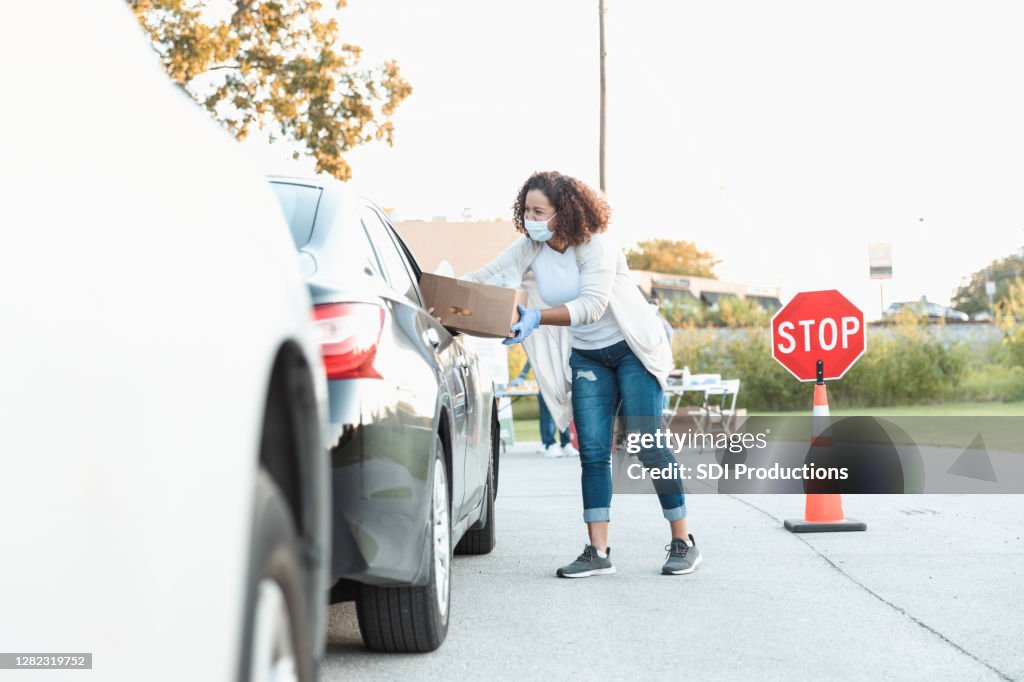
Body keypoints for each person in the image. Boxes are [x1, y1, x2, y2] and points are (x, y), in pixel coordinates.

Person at [459, 170, 702, 578]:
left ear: (564, 212)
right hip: (588, 355)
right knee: (592, 451)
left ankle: (684, 541)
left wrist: (535, 317)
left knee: (647, 444)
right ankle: (597, 551)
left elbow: (590, 306)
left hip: (632, 349)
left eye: (539, 211)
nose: (530, 217)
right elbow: (483, 278)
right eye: (526, 210)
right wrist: (434, 295)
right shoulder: (530, 247)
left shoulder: (595, 247)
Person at [510, 360, 578, 458]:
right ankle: (550, 445)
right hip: (546, 382)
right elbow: (532, 357)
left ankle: (566, 444)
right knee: (549, 416)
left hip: (562, 381)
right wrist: (522, 375)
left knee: (565, 414)